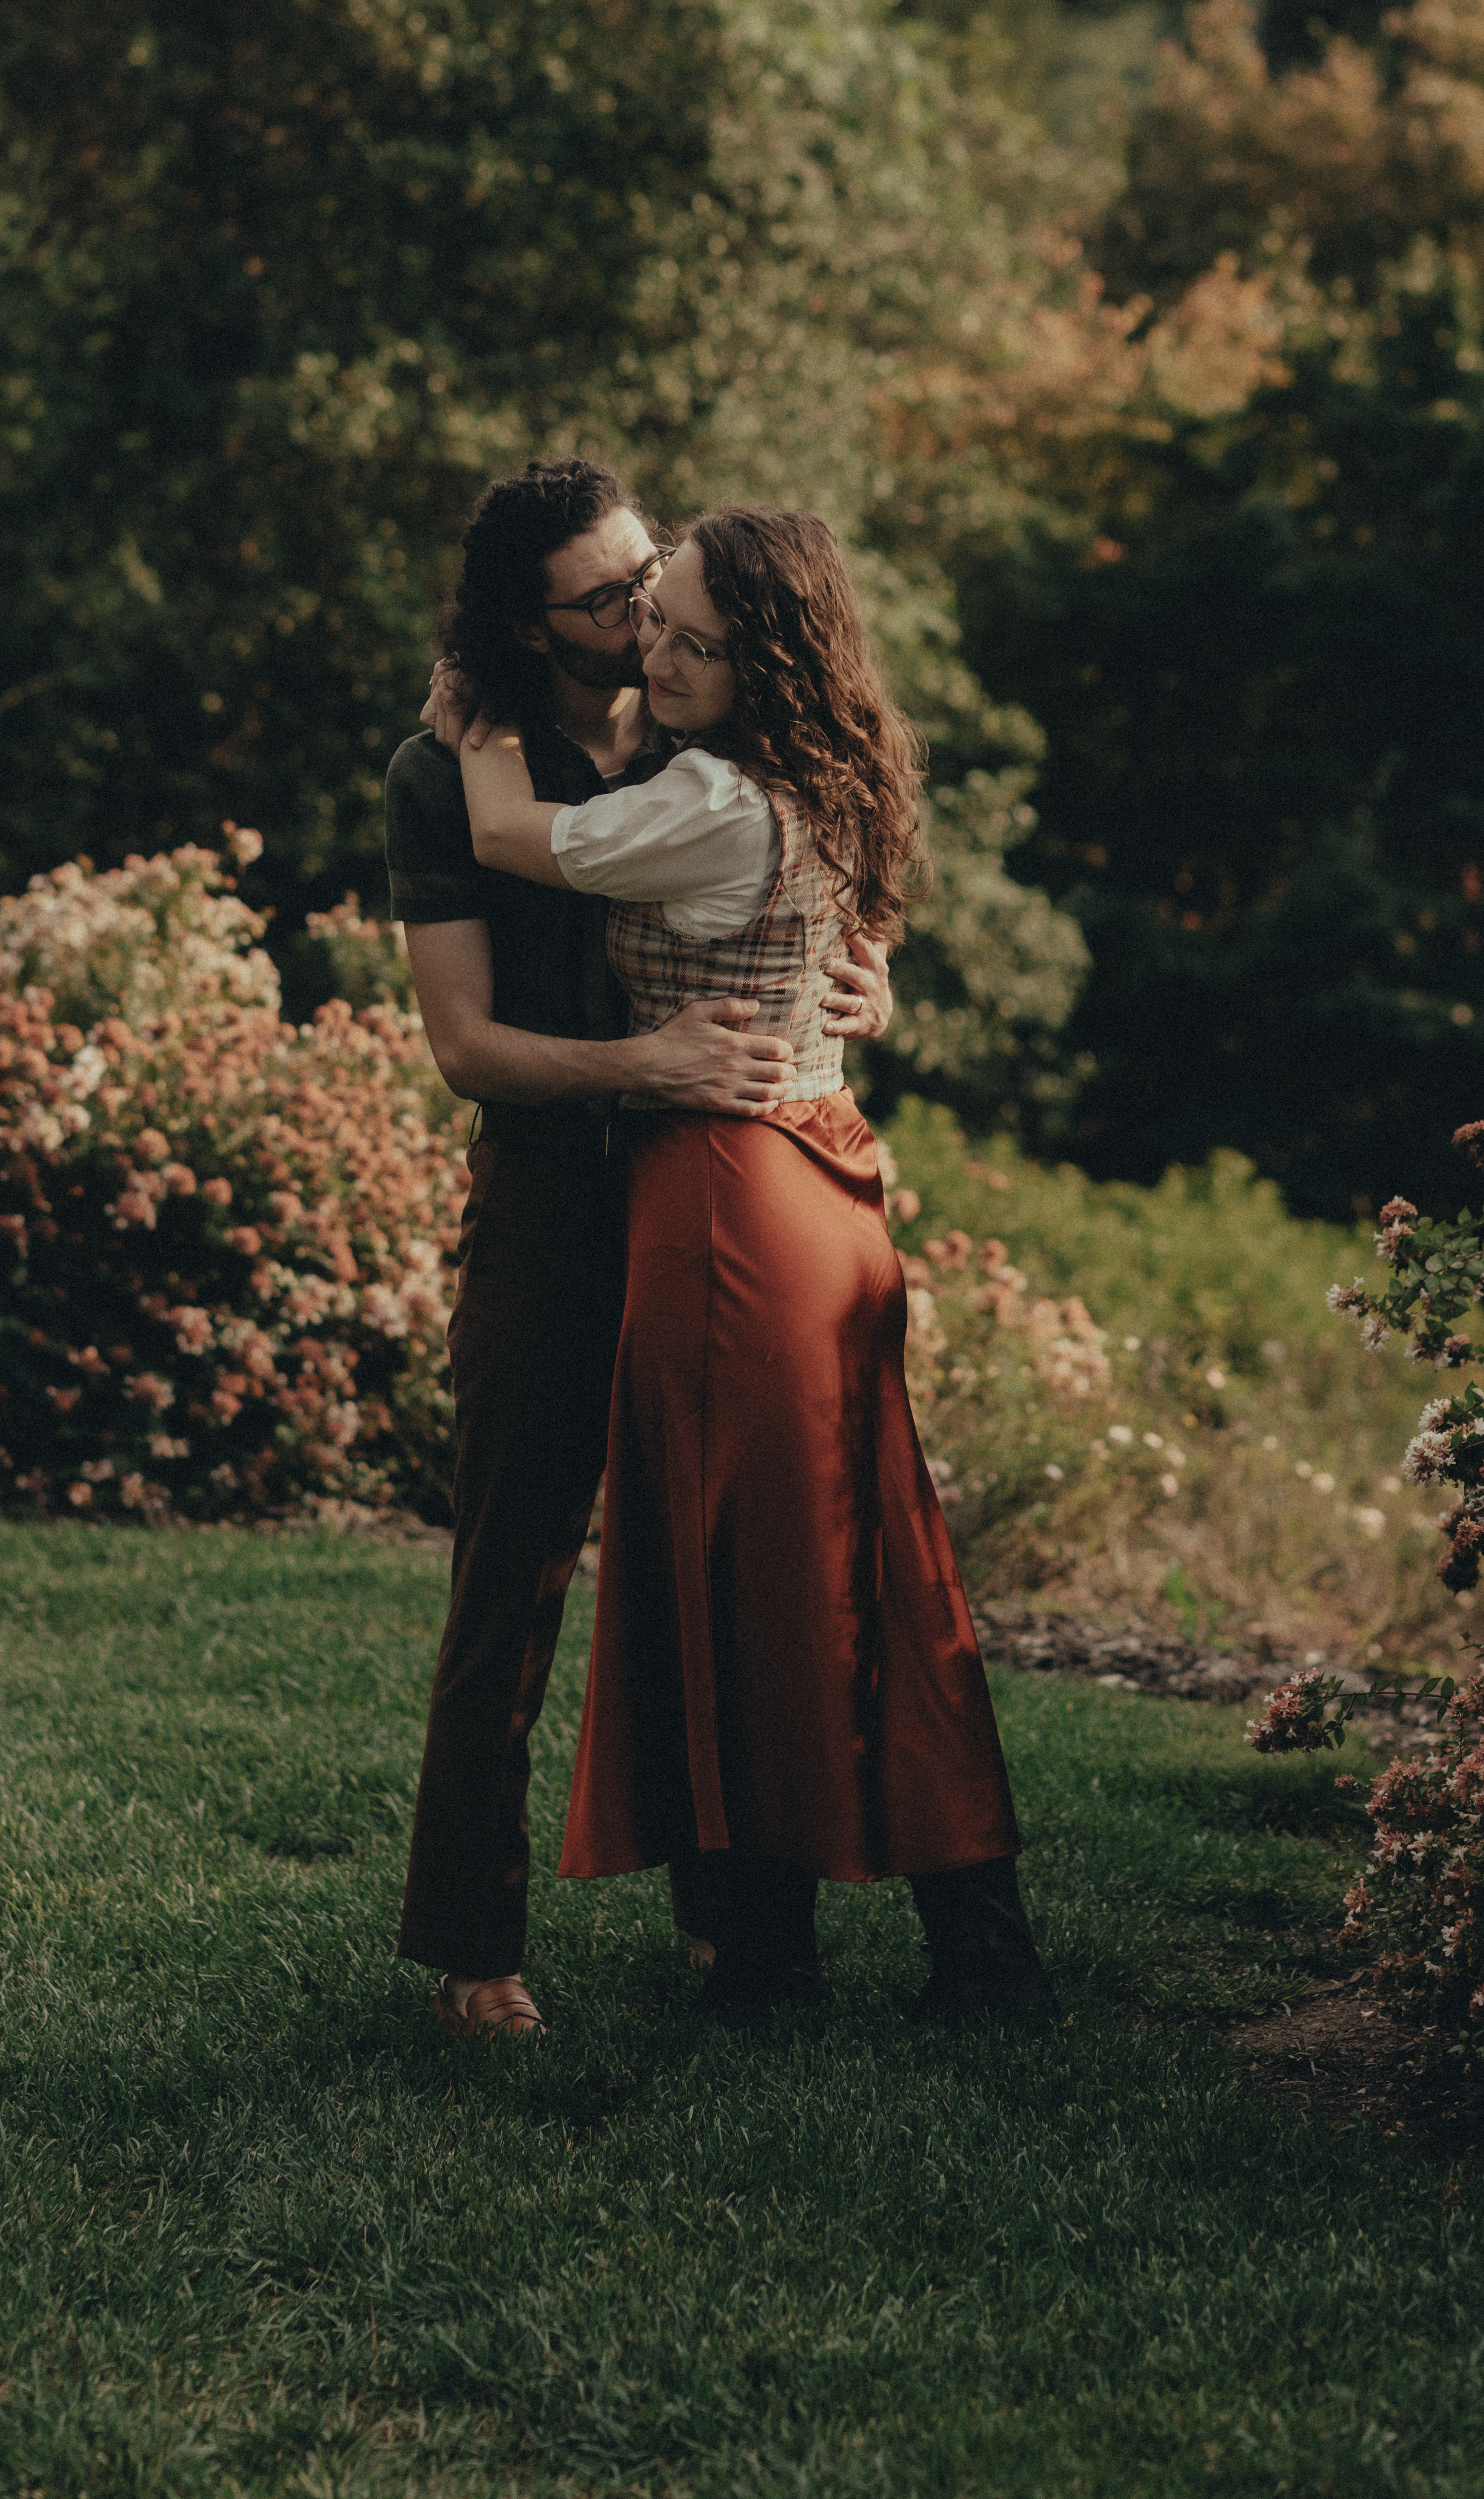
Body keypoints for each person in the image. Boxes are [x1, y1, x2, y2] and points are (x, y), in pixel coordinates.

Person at [445, 504, 1049, 2021]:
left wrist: (471, 719)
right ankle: (976, 1949)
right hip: (830, 1180)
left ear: (762, 658)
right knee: (881, 1569)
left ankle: (767, 1958)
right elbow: (841, 943)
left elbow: (515, 835)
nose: (656, 646)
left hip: (724, 1199)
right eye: (653, 613)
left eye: (691, 636)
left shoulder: (712, 801)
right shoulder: (835, 775)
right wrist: (872, 990)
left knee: (741, 1580)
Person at [384, 457, 891, 2040]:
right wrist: (643, 1065)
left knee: (722, 1568)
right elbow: (467, 1047)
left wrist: (862, 994)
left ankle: (743, 1928)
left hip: (716, 1203)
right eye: (606, 599)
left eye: (646, 575)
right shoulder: (447, 772)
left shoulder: (715, 729)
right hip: (552, 1201)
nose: (640, 611)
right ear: (531, 629)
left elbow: (810, 887)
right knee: (511, 1576)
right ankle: (475, 1948)